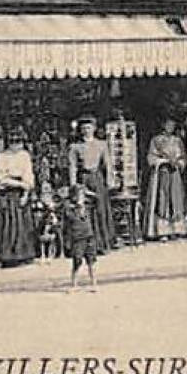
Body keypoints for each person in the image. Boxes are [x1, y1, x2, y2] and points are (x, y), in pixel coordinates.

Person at [67, 115, 115, 254]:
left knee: (101, 210)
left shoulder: (101, 145)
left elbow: (108, 164)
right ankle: (87, 246)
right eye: (84, 128)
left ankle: (103, 244)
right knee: (85, 211)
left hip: (97, 178)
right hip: (83, 179)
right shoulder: (75, 147)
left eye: (89, 128)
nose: (87, 130)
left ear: (94, 129)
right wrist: (74, 185)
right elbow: (72, 167)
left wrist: (110, 180)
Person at [0, 127, 37, 268]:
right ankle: (2, 257)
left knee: (22, 224)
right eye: (13, 141)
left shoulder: (25, 156)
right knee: (4, 226)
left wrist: (26, 193)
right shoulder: (2, 156)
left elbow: (29, 177)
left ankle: (22, 256)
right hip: (6, 194)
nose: (16, 145)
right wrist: (17, 183)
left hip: (20, 193)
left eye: (19, 141)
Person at [142, 119, 187, 241]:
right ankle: (163, 231)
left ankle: (177, 229)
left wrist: (178, 163)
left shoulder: (177, 141)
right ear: (163, 125)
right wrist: (163, 161)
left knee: (176, 199)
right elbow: (151, 157)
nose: (170, 127)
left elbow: (183, 157)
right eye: (167, 125)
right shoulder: (156, 140)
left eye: (172, 125)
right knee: (162, 200)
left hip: (175, 174)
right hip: (162, 173)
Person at [62, 183, 98, 292]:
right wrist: (77, 206)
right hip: (77, 237)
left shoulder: (87, 205)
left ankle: (94, 283)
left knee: (91, 261)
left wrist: (88, 193)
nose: (81, 197)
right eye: (79, 195)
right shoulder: (69, 207)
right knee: (77, 261)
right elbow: (69, 217)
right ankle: (74, 284)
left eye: (82, 195)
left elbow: (97, 200)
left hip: (88, 235)